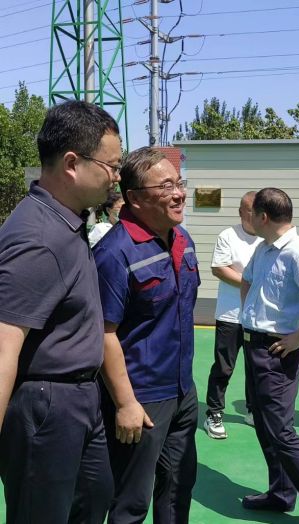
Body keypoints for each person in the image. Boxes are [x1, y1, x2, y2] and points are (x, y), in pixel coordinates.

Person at [0, 100, 122, 523]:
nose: (117, 177)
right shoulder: (38, 238)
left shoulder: (67, 221)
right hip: (47, 405)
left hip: (78, 398)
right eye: (111, 166)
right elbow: (3, 346)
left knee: (93, 498)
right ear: (72, 164)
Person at [93, 147, 200, 523]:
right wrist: (125, 403)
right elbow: (103, 333)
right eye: (166, 186)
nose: (179, 193)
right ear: (135, 198)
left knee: (178, 489)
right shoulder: (114, 253)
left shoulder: (181, 238)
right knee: (131, 501)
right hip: (141, 398)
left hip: (182, 390)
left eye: (179, 183)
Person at [240, 188, 299, 524]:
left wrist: (298, 337)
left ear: (263, 216)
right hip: (254, 345)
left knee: (281, 430)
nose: (248, 219)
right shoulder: (263, 249)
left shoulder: (298, 253)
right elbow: (246, 281)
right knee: (265, 425)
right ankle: (280, 493)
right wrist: (249, 315)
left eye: (251, 213)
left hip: (277, 351)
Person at [204, 190, 262, 439]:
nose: (256, 215)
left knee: (255, 367)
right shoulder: (228, 236)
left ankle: (252, 410)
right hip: (230, 315)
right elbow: (219, 268)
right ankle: (214, 412)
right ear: (241, 212)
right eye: (251, 210)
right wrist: (252, 284)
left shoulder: (267, 238)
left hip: (258, 317)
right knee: (224, 367)